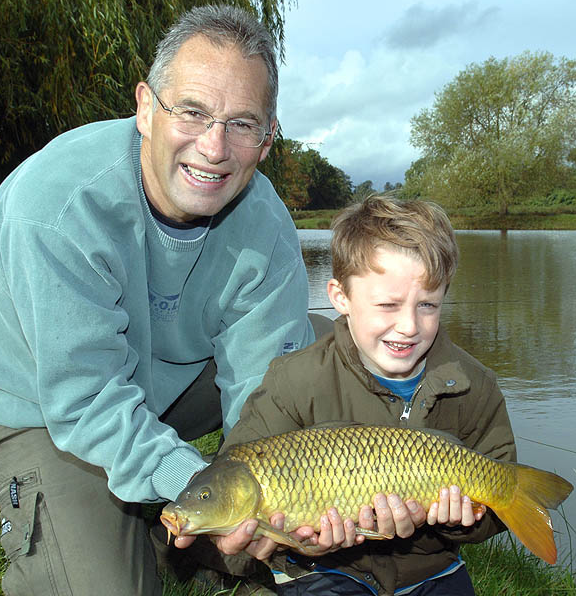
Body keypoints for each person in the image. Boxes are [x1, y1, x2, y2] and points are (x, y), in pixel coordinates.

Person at [0, 4, 324, 595]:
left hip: (167, 388)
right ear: (146, 108)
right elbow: (87, 400)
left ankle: (197, 531)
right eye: (194, 112)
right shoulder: (57, 207)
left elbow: (269, 393)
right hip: (46, 409)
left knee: (324, 346)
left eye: (243, 123)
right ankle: (143, 518)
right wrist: (195, 478)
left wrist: (258, 502)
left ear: (267, 137)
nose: (214, 146)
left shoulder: (268, 224)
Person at [219, 195, 518, 596]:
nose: (409, 326)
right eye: (388, 305)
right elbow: (235, 474)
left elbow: (494, 513)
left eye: (428, 304)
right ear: (341, 297)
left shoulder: (474, 384)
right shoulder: (294, 380)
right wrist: (299, 539)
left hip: (429, 567)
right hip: (322, 567)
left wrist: (456, 521)